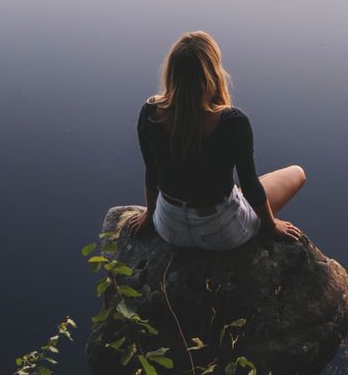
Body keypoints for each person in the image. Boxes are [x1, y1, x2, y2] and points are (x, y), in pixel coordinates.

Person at [125, 31, 306, 250]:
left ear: (171, 73)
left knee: (241, 189)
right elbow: (250, 186)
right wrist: (271, 224)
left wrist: (150, 213)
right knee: (296, 173)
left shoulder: (150, 113)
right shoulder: (233, 122)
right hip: (222, 233)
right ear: (212, 73)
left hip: (169, 227)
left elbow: (152, 173)